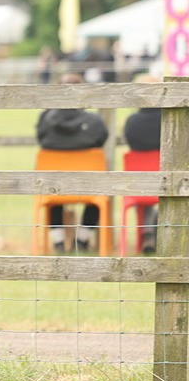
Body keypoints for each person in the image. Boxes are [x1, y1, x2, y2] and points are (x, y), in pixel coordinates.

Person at [36, 75, 109, 253]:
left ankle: (58, 241)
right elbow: (102, 139)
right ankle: (83, 239)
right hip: (88, 182)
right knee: (99, 189)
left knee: (54, 190)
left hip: (53, 184)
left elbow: (41, 139)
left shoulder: (45, 119)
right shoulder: (94, 122)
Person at [123, 79, 161, 254]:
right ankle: (156, 230)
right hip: (167, 178)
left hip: (139, 182)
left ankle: (147, 233)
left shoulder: (132, 121)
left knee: (145, 189)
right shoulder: (169, 119)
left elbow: (130, 143)